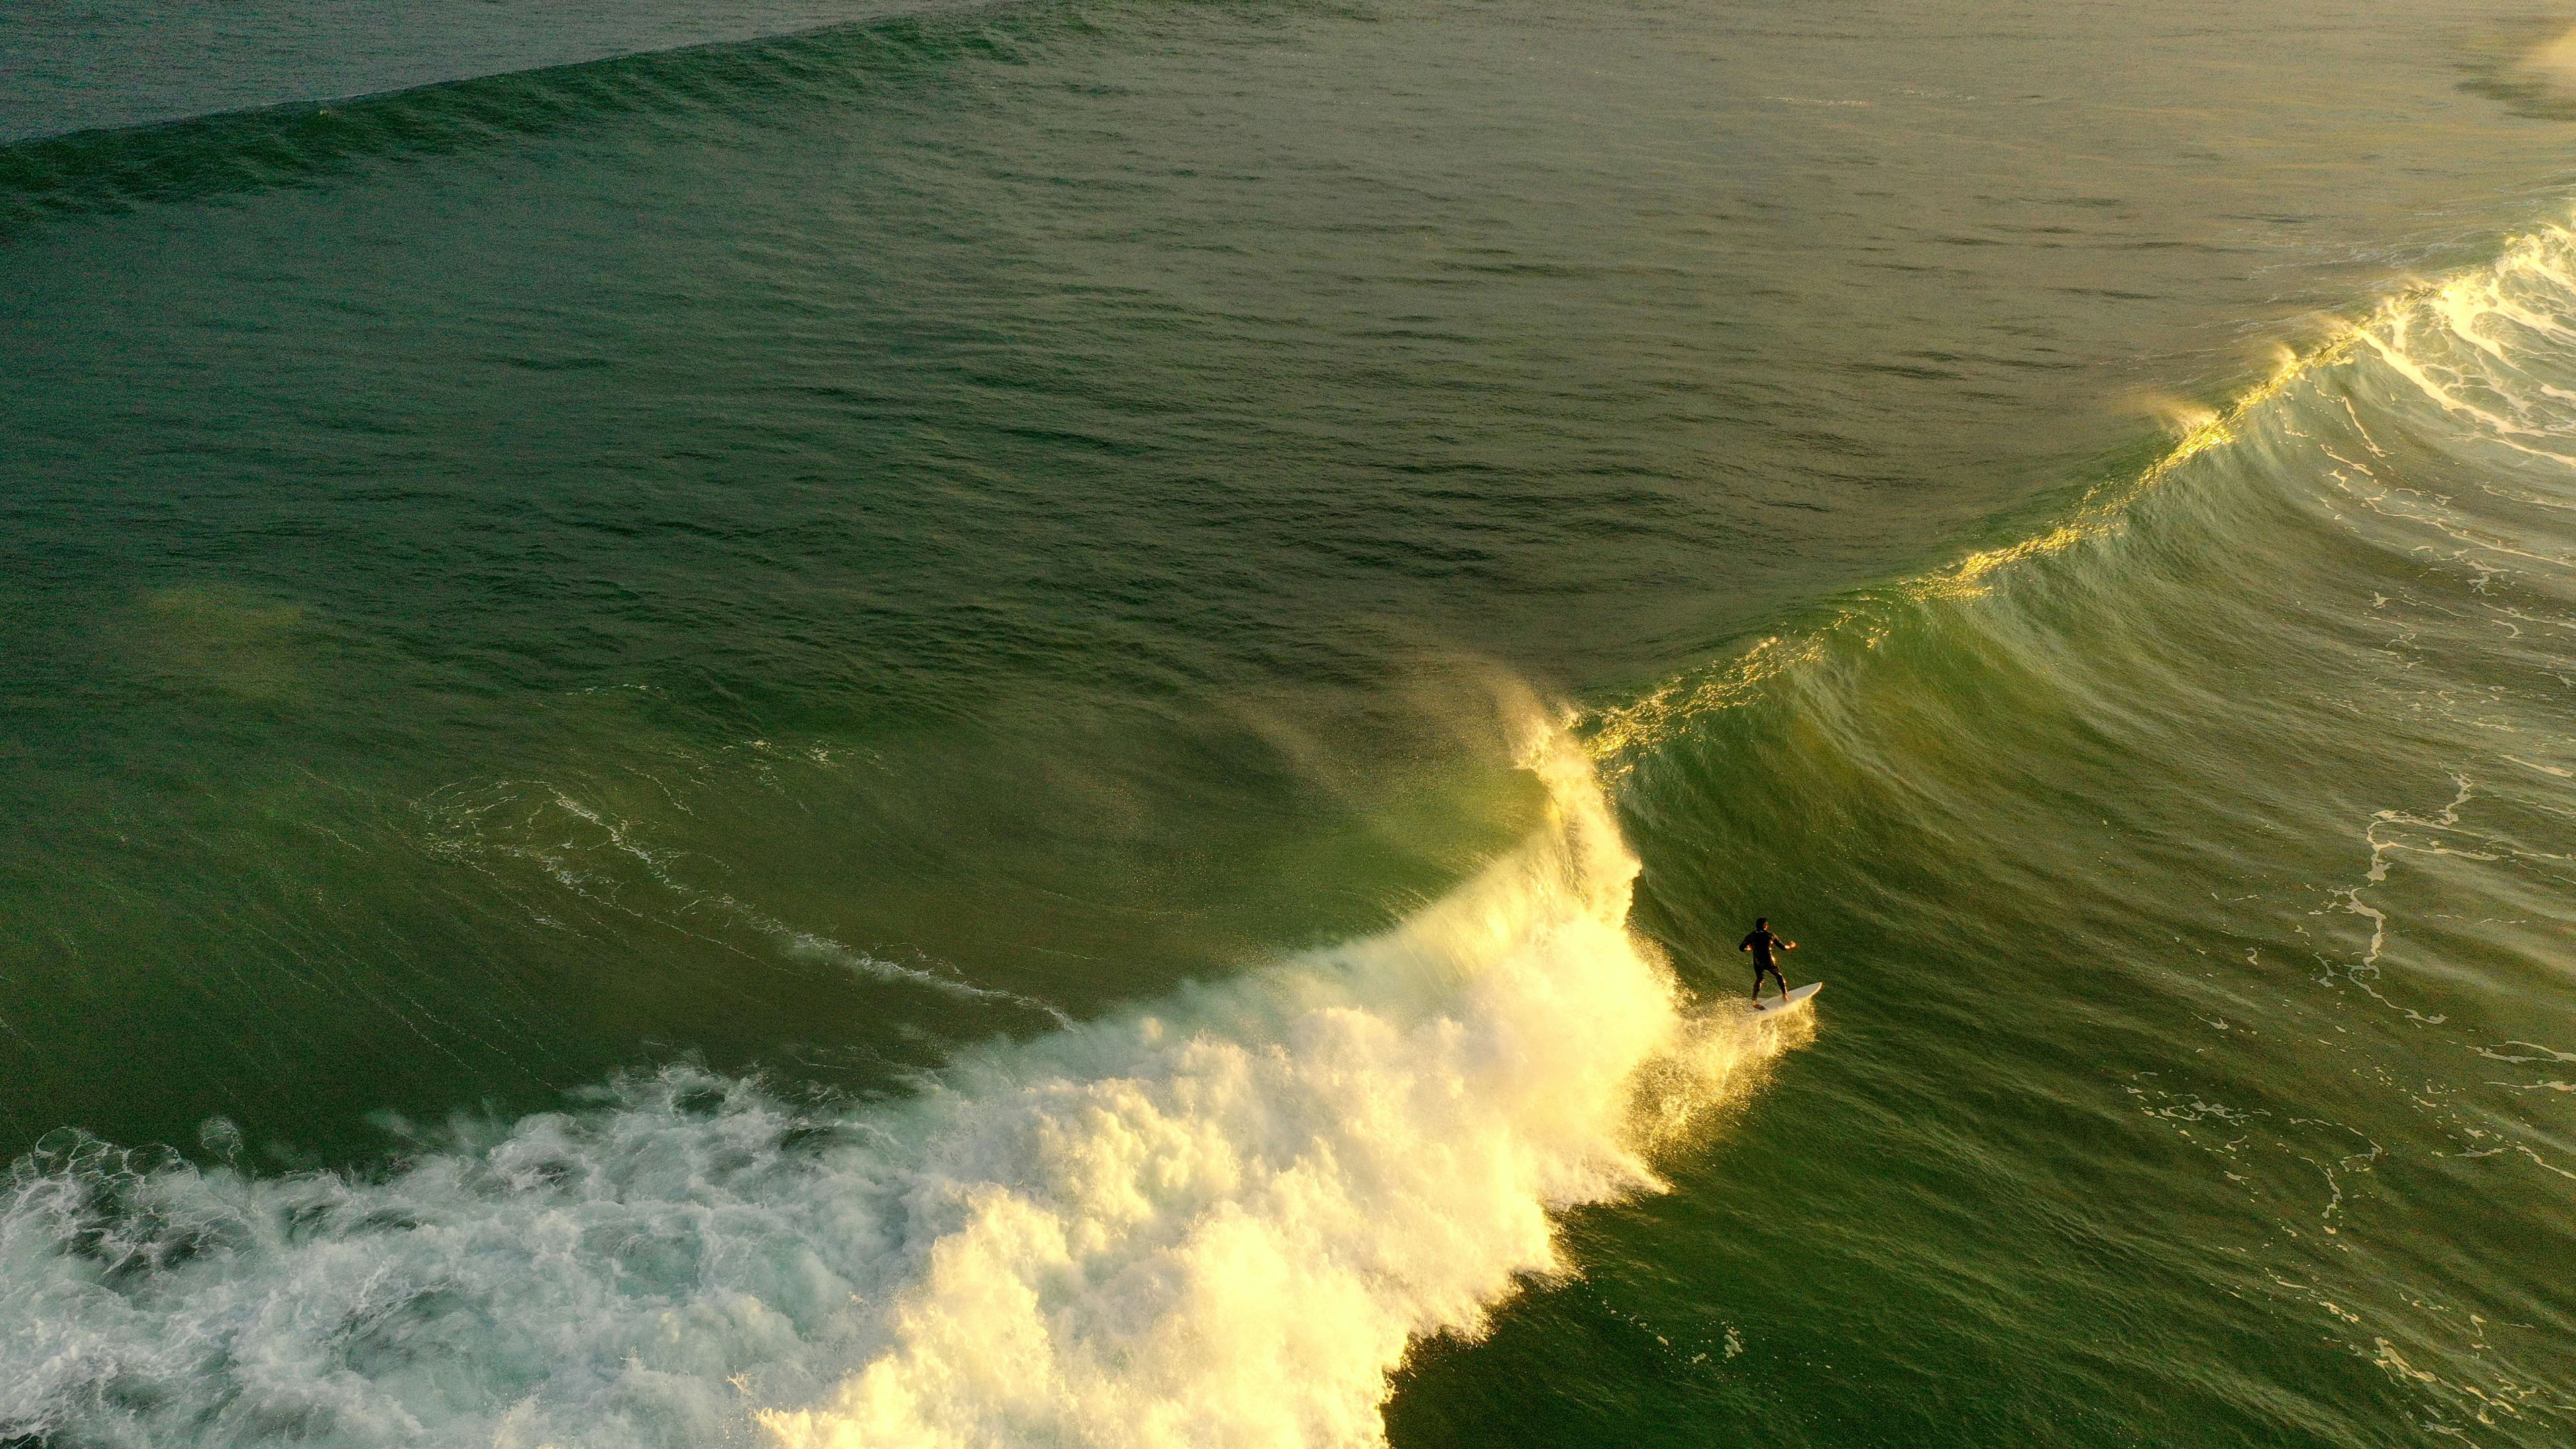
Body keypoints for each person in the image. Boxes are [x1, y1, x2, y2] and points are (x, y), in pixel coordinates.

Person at [1739, 917, 1796, 1003]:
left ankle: (1754, 1000)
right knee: (1778, 975)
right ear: (1765, 926)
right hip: (1768, 960)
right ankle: (1785, 994)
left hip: (1758, 961)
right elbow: (1784, 947)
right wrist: (1791, 946)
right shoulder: (1771, 935)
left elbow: (1741, 948)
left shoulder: (1751, 936)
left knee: (1760, 979)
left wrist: (1749, 948)